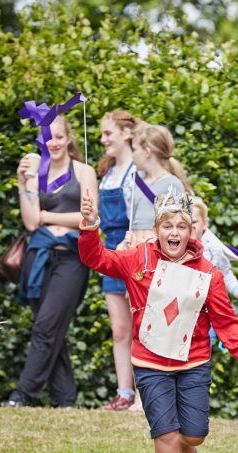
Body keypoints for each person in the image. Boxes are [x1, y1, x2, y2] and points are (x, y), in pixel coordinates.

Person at [79, 189, 238, 453]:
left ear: (192, 231)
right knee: (165, 433)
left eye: (181, 227)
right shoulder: (137, 259)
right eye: (167, 226)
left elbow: (228, 324)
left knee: (193, 435)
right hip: (149, 363)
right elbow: (97, 258)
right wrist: (89, 225)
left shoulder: (209, 274)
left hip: (193, 362)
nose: (174, 233)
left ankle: (188, 450)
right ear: (156, 230)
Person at [4, 115, 97, 408]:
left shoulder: (84, 172)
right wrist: (22, 183)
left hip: (71, 258)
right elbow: (31, 222)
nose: (52, 143)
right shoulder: (35, 174)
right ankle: (65, 399)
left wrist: (48, 216)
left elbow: (90, 218)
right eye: (46, 138)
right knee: (51, 328)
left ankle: (22, 395)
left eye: (58, 136)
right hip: (38, 258)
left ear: (68, 138)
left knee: (46, 326)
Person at [95, 110, 141, 411]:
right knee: (120, 329)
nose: (103, 140)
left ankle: (143, 394)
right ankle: (123, 392)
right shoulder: (109, 172)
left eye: (108, 134)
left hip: (133, 248)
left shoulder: (137, 169)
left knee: (140, 326)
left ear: (126, 133)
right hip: (110, 251)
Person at [127, 123, 192, 245]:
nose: (132, 156)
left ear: (147, 152)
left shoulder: (173, 184)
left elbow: (179, 228)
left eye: (134, 150)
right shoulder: (137, 180)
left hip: (157, 251)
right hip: (135, 248)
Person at [190, 196, 238, 297]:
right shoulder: (172, 248)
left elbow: (225, 273)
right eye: (184, 222)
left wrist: (237, 289)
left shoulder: (214, 249)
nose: (190, 226)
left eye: (194, 222)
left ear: (205, 223)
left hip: (208, 303)